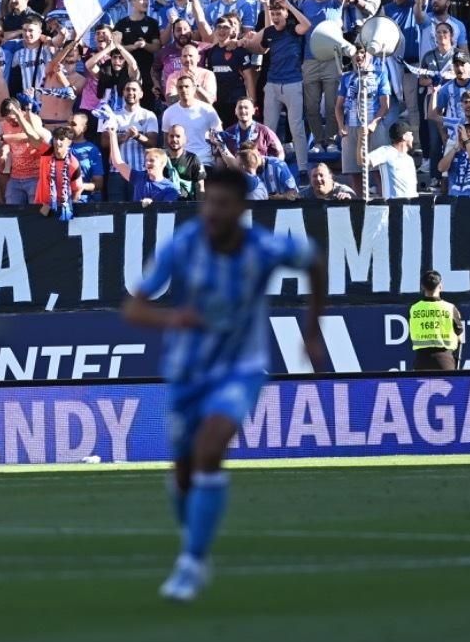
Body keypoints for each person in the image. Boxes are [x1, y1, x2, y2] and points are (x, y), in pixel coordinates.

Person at [121, 166, 328, 603]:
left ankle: (192, 562)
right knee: (182, 474)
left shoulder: (265, 248)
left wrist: (312, 330)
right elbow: (134, 308)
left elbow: (315, 262)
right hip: (187, 371)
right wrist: (172, 318)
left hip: (241, 368)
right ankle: (194, 537)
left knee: (210, 450)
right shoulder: (182, 245)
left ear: (241, 208)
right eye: (207, 201)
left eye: (222, 203)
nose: (212, 211)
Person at [408, 271, 463, 370]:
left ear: (422, 287)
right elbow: (459, 334)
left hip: (421, 361)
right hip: (444, 360)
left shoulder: (414, 309)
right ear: (440, 286)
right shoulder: (449, 308)